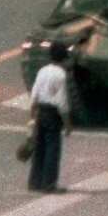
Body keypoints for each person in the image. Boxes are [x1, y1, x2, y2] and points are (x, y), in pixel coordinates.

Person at [27, 41, 73, 193]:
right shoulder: (60, 75)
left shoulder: (42, 71)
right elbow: (62, 102)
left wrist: (32, 117)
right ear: (64, 58)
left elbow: (34, 94)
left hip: (41, 111)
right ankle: (49, 184)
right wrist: (67, 124)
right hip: (53, 114)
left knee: (39, 148)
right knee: (53, 149)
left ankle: (35, 182)